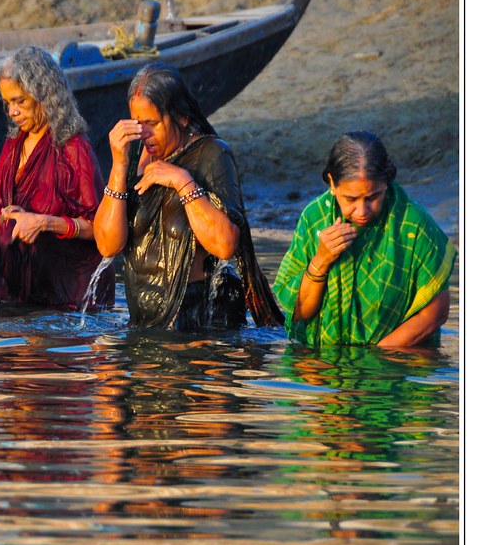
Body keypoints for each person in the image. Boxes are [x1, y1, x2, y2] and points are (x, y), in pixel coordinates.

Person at [94, 61, 281, 329]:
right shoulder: (133, 155)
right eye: (137, 123)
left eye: (152, 123)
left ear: (182, 117)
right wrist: (118, 166)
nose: (143, 133)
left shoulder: (212, 155)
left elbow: (225, 245)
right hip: (142, 322)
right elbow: (107, 246)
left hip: (198, 321)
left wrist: (183, 183)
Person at [273, 131, 455, 347]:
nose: (362, 211)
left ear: (386, 182)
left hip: (396, 359)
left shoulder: (412, 223)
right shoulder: (315, 219)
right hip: (324, 364)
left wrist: (375, 360)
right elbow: (298, 312)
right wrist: (321, 260)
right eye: (350, 199)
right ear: (332, 183)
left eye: (372, 197)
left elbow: (435, 313)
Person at [0, 45, 114, 310]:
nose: (12, 112)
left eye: (20, 101)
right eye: (7, 102)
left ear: (45, 95)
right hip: (17, 292)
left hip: (68, 300)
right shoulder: (12, 147)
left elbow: (102, 230)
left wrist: (45, 223)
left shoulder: (73, 149)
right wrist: (3, 218)